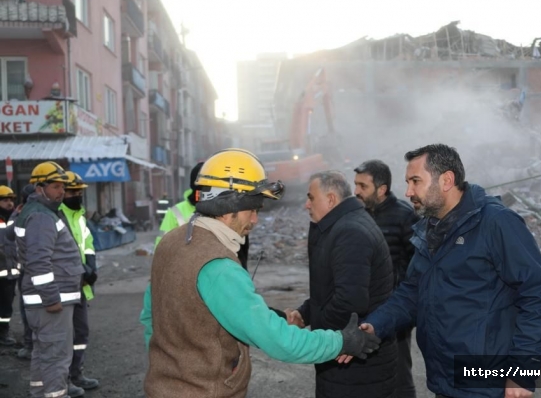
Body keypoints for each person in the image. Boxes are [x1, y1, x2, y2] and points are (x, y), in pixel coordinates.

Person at [144, 148, 380, 398]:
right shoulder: (218, 265)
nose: (255, 220)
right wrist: (342, 342)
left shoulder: (171, 242)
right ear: (229, 204)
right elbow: (280, 342)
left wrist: (173, 362)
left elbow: (151, 318)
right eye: (252, 209)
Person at [357, 144, 541, 398]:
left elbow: (539, 296)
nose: (408, 191)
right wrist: (375, 325)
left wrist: (522, 373)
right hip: (445, 380)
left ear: (447, 180)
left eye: (415, 181)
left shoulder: (496, 223)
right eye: (408, 182)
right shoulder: (429, 228)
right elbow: (412, 292)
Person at [286, 170, 397, 398]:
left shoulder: (350, 232)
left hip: (357, 367)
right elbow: (327, 289)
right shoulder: (340, 226)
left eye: (311, 197)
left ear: (330, 199)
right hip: (347, 359)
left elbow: (349, 301)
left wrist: (316, 337)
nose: (307, 205)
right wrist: (304, 313)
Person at [140, 161, 256, 350]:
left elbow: (240, 254)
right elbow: (162, 253)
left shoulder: (229, 213)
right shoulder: (177, 212)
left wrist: (241, 284)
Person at [15, 161, 86, 398]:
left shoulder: (38, 213)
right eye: (55, 186)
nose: (61, 192)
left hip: (45, 300)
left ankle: (40, 392)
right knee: (56, 355)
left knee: (44, 352)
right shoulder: (41, 217)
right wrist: (51, 297)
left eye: (62, 187)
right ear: (38, 188)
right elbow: (38, 261)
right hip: (51, 302)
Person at [353, 160, 420, 398]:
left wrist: (397, 300)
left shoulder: (405, 216)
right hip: (364, 308)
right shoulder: (357, 216)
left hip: (395, 310)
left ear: (381, 189)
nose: (356, 191)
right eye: (356, 185)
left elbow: (416, 268)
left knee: (398, 373)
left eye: (363, 186)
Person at [60, 171, 100, 394]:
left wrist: (91, 267)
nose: (77, 195)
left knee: (81, 332)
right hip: (65, 284)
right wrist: (84, 270)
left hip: (81, 284)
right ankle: (63, 380)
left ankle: (76, 374)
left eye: (79, 192)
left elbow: (87, 245)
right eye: (72, 191)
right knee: (64, 335)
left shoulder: (80, 216)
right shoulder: (57, 216)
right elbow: (63, 252)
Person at [15, 184, 36, 360]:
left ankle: (31, 345)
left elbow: (9, 235)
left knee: (29, 309)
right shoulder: (47, 213)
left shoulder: (25, 215)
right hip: (32, 270)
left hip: (29, 271)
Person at [0, 185, 18, 346]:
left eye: (11, 200)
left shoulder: (15, 218)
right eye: (5, 200)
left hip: (10, 272)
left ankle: (4, 332)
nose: (9, 203)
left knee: (6, 306)